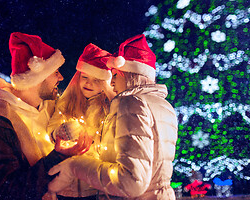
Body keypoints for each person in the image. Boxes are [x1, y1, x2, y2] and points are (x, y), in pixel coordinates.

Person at [0, 32, 92, 200]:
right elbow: (6, 192)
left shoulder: (51, 110)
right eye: (55, 71)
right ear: (37, 75)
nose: (61, 77)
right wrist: (58, 157)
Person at [48, 34, 178, 200]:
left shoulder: (131, 102)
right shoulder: (164, 105)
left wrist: (75, 166)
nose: (111, 82)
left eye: (114, 75)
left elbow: (132, 182)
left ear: (127, 75)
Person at [47, 43, 115, 199]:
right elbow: (51, 127)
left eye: (96, 80)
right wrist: (58, 132)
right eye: (85, 77)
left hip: (93, 185)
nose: (89, 83)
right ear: (78, 77)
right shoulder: (66, 102)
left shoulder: (106, 109)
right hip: (64, 185)